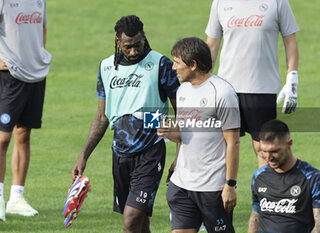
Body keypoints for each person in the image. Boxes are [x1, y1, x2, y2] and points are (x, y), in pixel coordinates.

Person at [71, 15, 179, 233]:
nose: (133, 51)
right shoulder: (106, 67)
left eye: (138, 45)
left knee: (130, 221)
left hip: (150, 153)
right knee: (140, 224)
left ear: (144, 38)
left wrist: (180, 155)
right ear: (118, 41)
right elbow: (102, 118)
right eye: (128, 47)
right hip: (120, 155)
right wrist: (83, 156)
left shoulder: (161, 64)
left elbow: (182, 112)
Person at [158, 37, 240, 233]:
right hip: (182, 184)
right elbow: (187, 133)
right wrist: (172, 135)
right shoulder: (183, 90)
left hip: (212, 187)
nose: (173, 68)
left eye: (177, 63)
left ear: (193, 65)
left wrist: (230, 185)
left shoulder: (222, 93)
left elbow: (233, 143)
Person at [205, 0, 299, 167]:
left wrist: (292, 78)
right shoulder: (220, 3)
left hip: (262, 87)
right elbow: (211, 45)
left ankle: (265, 192)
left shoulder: (277, 2)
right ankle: (224, 191)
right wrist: (202, 82)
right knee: (223, 145)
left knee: (263, 148)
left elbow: (290, 41)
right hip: (226, 89)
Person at [0, 0, 51, 221]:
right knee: (2, 138)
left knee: (24, 135)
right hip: (8, 76)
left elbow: (42, 28)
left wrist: (38, 57)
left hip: (34, 75)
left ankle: (16, 198)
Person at [248, 119, 320, 233]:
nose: (268, 157)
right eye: (264, 151)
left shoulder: (313, 178)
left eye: (274, 151)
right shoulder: (259, 176)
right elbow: (255, 217)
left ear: (289, 144)